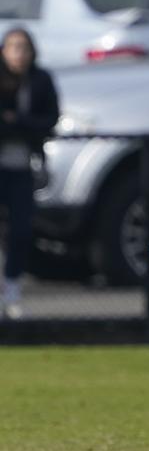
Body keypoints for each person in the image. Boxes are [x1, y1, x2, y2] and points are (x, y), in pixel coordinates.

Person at [0, 27, 60, 319]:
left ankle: (12, 287)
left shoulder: (41, 80)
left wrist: (19, 122)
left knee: (22, 230)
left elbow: (50, 119)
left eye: (24, 47)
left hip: (24, 166)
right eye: (13, 47)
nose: (19, 54)